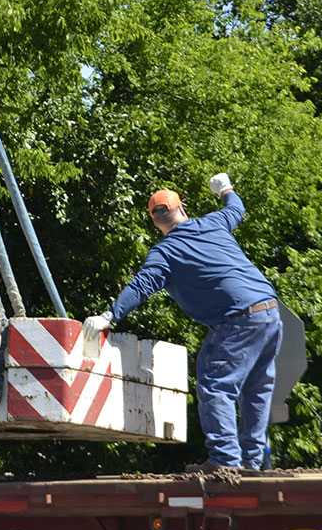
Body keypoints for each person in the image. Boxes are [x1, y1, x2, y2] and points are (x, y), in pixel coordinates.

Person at [85, 173, 283, 472]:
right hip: (270, 313)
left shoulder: (165, 252)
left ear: (156, 222)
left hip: (237, 321)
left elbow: (140, 287)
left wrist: (109, 316)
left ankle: (225, 461)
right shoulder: (213, 223)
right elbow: (236, 208)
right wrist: (225, 189)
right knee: (256, 390)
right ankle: (252, 463)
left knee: (216, 384)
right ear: (183, 208)